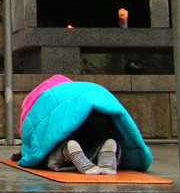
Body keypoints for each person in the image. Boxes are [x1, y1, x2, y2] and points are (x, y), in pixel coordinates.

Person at [15, 75, 152, 175]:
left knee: (48, 155)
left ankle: (66, 150)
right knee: (92, 143)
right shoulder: (75, 88)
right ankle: (105, 148)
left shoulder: (41, 100)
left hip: (69, 120)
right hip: (99, 108)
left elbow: (32, 135)